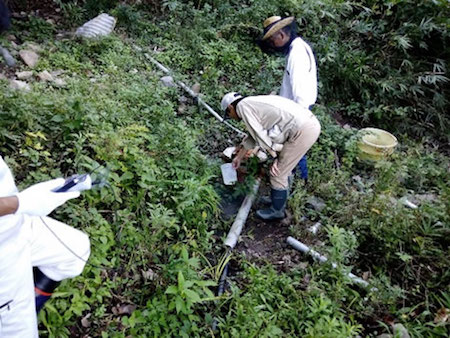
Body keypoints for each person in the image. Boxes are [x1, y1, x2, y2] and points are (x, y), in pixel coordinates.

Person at [0, 5, 90, 337]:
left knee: (76, 248)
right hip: (3, 247)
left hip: (15, 222)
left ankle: (30, 301)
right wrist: (20, 203)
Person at [221, 92, 321, 220]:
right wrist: (239, 157)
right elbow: (253, 135)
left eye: (229, 115)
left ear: (230, 107)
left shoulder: (242, 107)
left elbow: (260, 135)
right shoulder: (250, 103)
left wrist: (275, 157)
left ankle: (277, 211)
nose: (232, 118)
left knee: (278, 172)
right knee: (282, 168)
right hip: (306, 123)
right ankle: (278, 198)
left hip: (303, 130)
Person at [260, 16, 318, 183]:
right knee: (295, 151)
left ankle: (298, 185)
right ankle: (295, 184)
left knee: (294, 151)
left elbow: (300, 92)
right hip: (297, 110)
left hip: (298, 112)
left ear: (281, 35)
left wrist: (296, 121)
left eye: (272, 40)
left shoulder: (297, 53)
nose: (272, 44)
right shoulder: (298, 48)